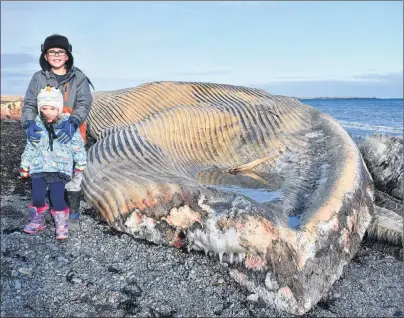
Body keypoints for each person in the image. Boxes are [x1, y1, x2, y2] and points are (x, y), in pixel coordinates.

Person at [21, 34, 94, 231]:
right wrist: (29, 124)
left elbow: (84, 102)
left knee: (72, 176)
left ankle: (74, 213)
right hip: (45, 135)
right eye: (51, 52)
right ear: (45, 56)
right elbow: (29, 103)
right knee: (46, 172)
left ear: (67, 55)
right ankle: (50, 210)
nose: (56, 55)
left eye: (61, 52)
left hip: (71, 131)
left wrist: (74, 121)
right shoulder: (38, 78)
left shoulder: (78, 77)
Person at [20, 86, 87, 239]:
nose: (48, 111)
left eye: (52, 108)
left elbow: (77, 145)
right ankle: (38, 220)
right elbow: (30, 147)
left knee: (58, 198)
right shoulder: (36, 125)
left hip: (59, 168)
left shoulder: (68, 125)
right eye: (44, 108)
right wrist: (25, 165)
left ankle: (62, 224)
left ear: (59, 108)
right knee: (37, 197)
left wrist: (80, 163)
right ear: (39, 108)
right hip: (39, 167)